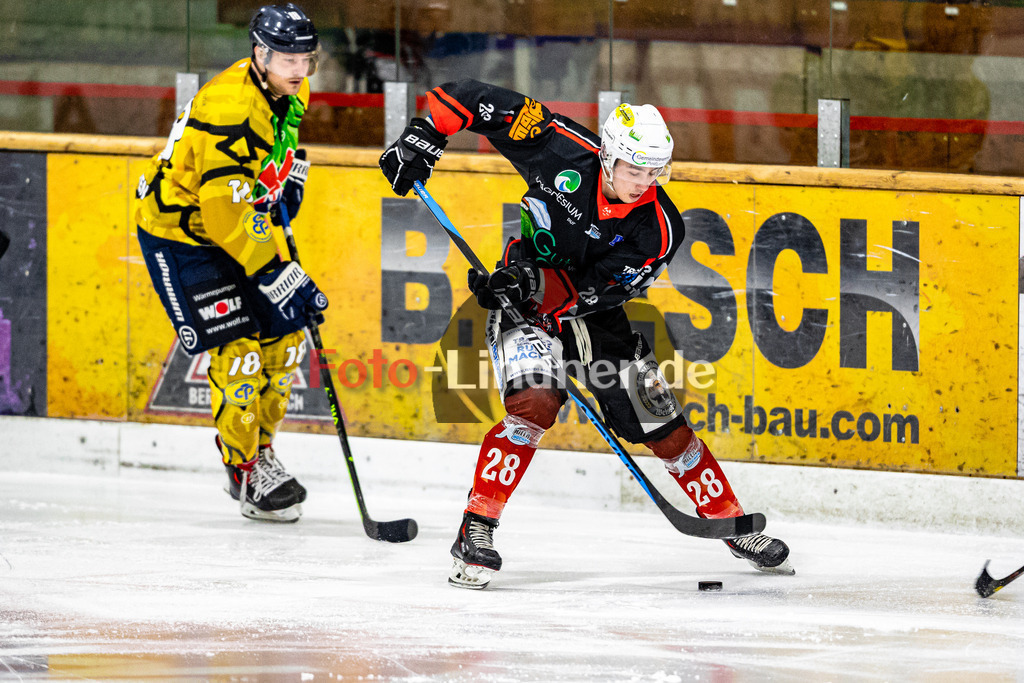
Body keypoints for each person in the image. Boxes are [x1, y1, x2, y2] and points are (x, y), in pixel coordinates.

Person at [380, 79, 793, 589]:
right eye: (635, 169)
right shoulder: (559, 147)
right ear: (609, 158)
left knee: (660, 422)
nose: (644, 182)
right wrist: (424, 136)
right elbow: (472, 98)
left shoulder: (660, 228)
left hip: (586, 310)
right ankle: (476, 530)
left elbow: (595, 291)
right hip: (522, 298)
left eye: (654, 172)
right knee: (534, 404)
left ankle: (730, 523)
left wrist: (529, 282)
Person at [134, 3, 328, 523]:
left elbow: (251, 182)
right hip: (184, 239)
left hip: (239, 224)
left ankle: (262, 453)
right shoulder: (230, 108)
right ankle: (243, 469)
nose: (298, 69)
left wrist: (279, 185)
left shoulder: (291, 88)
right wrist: (279, 273)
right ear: (259, 52)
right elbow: (221, 217)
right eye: (286, 58)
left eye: (305, 58)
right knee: (239, 357)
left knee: (284, 346)